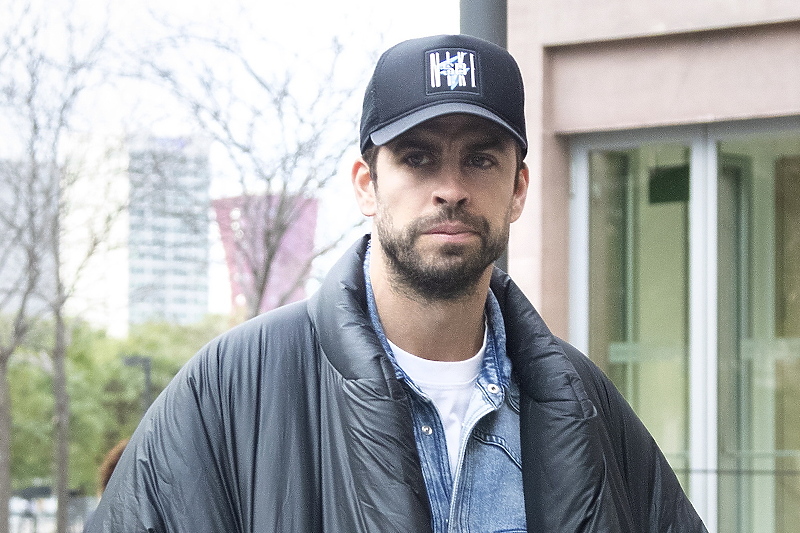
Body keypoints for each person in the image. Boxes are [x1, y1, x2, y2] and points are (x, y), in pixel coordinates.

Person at [85, 34, 707, 532]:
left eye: (480, 158)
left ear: (518, 188)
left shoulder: (581, 402)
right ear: (365, 183)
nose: (451, 188)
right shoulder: (233, 387)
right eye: (416, 158)